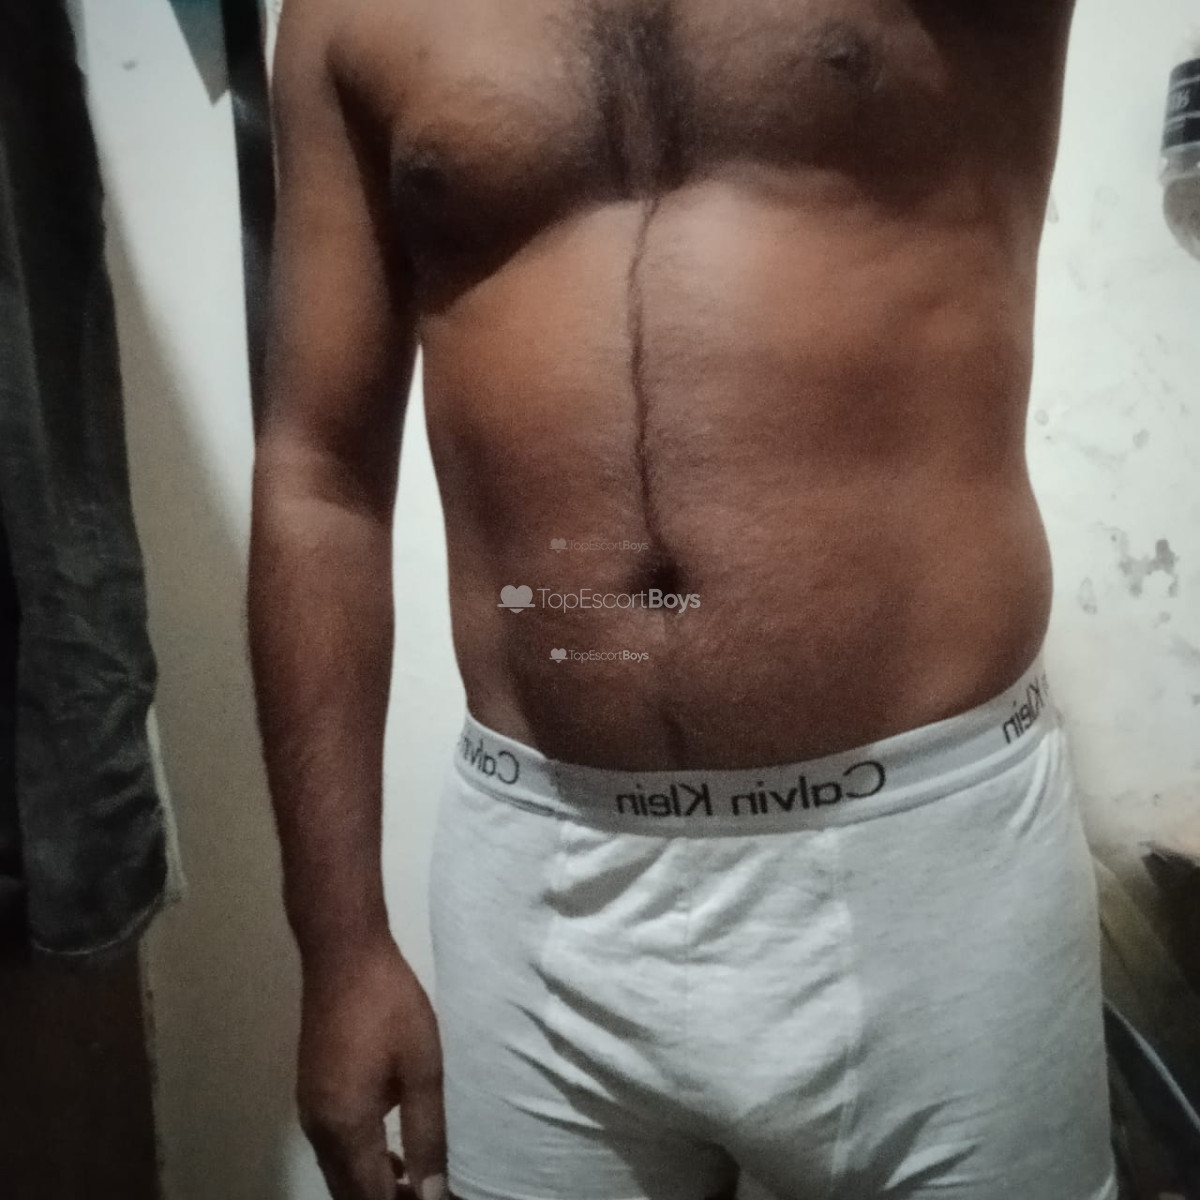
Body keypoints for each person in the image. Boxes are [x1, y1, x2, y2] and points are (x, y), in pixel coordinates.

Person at [249, 1, 1116, 1198]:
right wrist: (339, 948)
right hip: (539, 891)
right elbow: (319, 478)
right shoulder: (348, 14)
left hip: (936, 880)